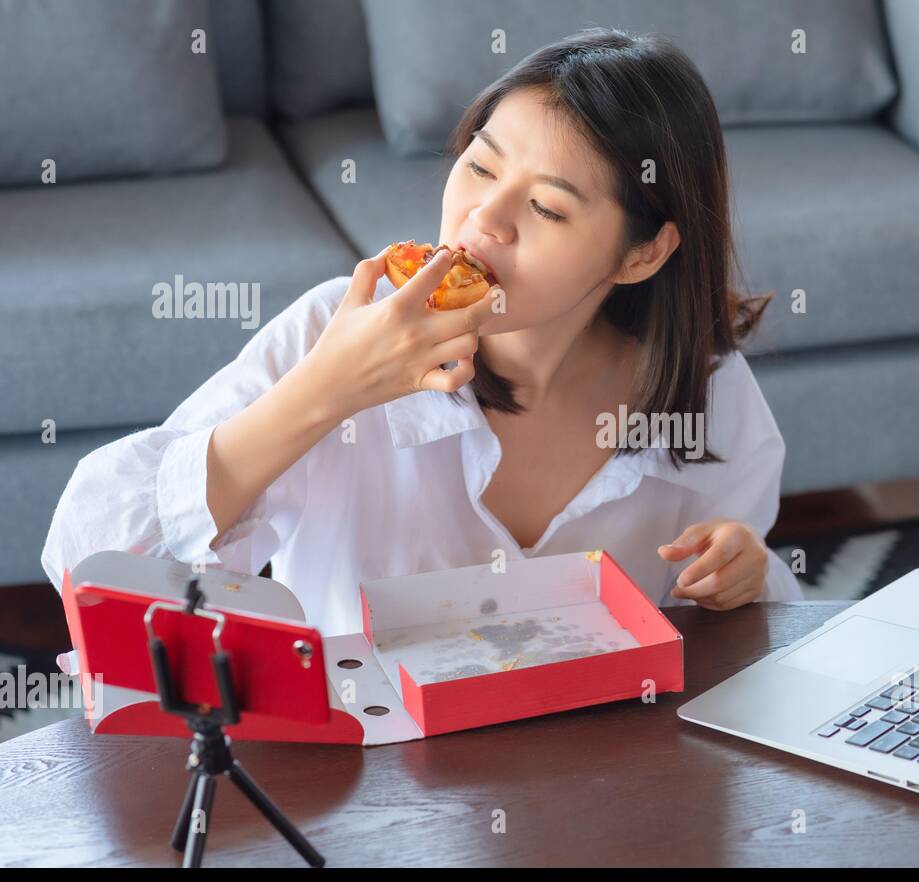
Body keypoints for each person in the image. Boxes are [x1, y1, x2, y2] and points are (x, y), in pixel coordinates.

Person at [41, 27, 803, 639]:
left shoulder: (702, 388)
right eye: (480, 166)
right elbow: (92, 563)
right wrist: (326, 390)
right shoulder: (332, 327)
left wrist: (746, 572)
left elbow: (742, 615)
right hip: (374, 784)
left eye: (546, 208)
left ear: (643, 252)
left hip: (593, 779)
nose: (483, 221)